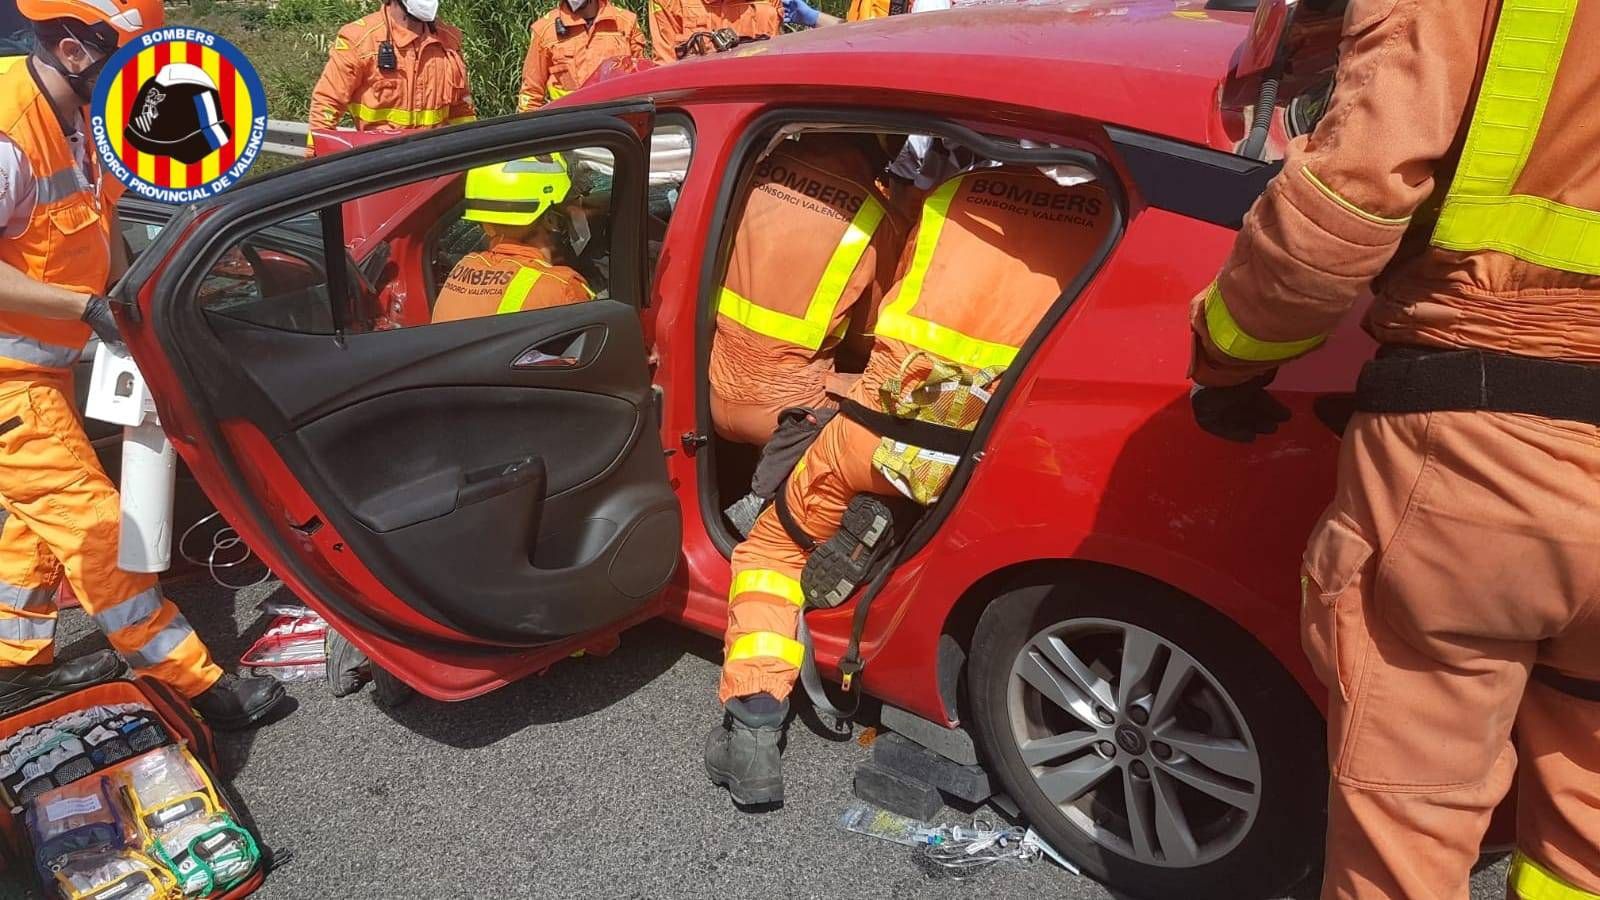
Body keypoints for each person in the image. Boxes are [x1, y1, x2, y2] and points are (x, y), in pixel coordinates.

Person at [1186, 2, 1600, 898]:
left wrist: (1226, 355)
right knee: (1588, 837)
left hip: (1484, 452)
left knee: (1406, 831)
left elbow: (1352, 193)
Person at [706, 162, 1111, 806]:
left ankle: (753, 727)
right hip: (979, 452)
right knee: (931, 500)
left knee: (770, 551)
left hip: (875, 432)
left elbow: (887, 319)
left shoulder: (955, 194)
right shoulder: (1111, 213)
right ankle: (889, 528)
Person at [0, 0, 287, 729]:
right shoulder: (8, 130)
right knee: (94, 524)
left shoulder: (91, 125)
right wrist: (85, 310)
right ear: (73, 52)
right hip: (8, 381)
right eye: (132, 52)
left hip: (40, 368)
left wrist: (127, 304)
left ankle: (13, 667)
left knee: (33, 526)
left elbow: (103, 228)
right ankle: (192, 681)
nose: (146, 70)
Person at [710, 133, 904, 447]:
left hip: (710, 388)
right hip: (790, 415)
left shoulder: (749, 176)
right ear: (883, 149)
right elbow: (866, 339)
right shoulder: (878, 218)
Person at [433, 156, 593, 324]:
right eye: (575, 203)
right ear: (550, 219)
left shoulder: (462, 268)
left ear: (487, 225)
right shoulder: (562, 288)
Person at [306, 0, 475, 153]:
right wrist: (315, 158)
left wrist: (471, 150)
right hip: (381, 165)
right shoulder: (360, 40)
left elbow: (461, 108)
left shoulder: (449, 41)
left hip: (433, 163)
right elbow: (327, 102)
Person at [517, 0, 646, 112]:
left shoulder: (625, 23)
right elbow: (531, 95)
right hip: (570, 128)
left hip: (617, 126)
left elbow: (643, 83)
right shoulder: (545, 30)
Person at [649, 0, 780, 63]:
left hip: (760, 105)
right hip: (700, 103)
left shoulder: (768, 3)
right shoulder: (669, 2)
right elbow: (666, 67)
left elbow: (778, 62)